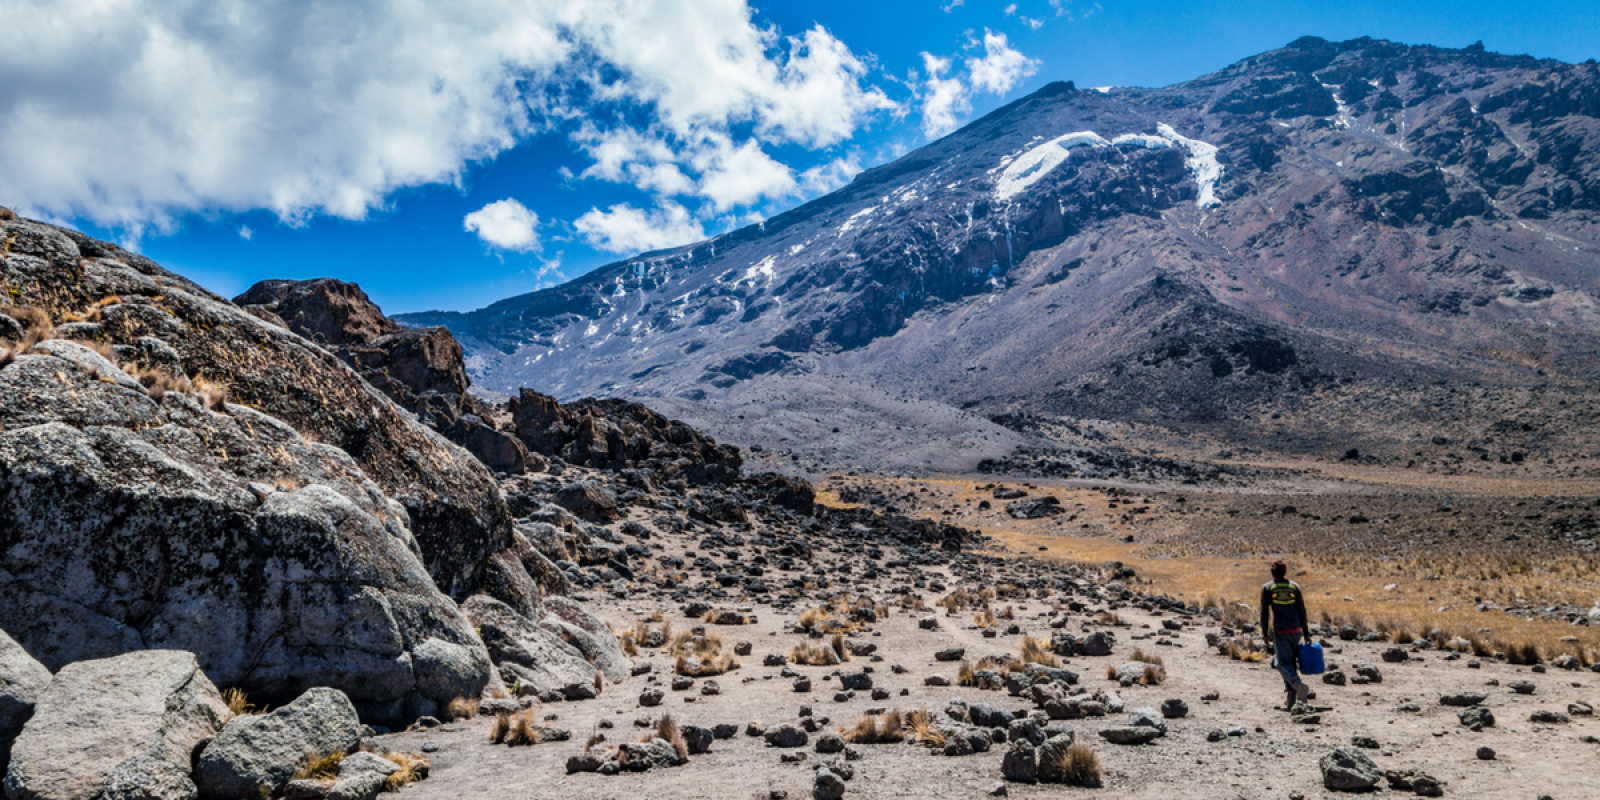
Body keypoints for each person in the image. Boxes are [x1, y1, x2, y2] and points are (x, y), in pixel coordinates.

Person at [1260, 560, 1311, 710]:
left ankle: (1298, 686)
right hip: (1296, 630)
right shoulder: (1294, 587)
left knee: (1281, 663)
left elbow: (1264, 613)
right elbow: (1302, 611)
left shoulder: (1268, 587)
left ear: (1272, 572)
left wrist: (1264, 632)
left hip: (1280, 630)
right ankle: (1291, 700)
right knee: (1291, 664)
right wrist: (1306, 633)